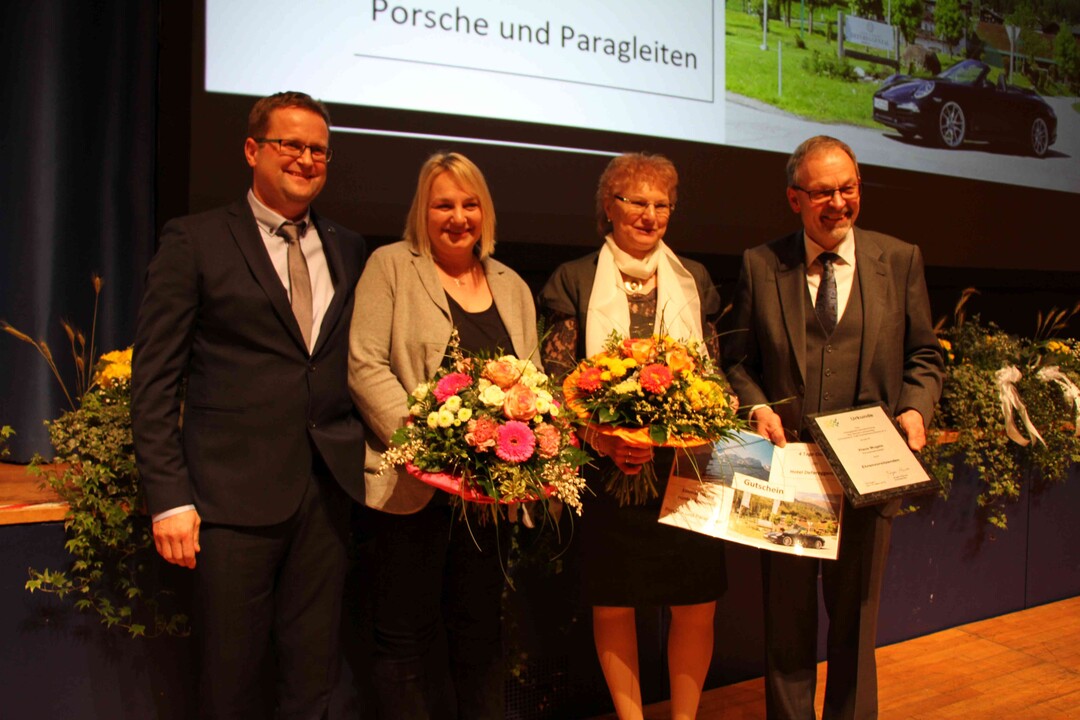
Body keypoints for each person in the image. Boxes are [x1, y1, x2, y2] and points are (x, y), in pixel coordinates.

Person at [131, 92, 366, 719]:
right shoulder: (195, 239)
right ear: (252, 149)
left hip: (326, 494)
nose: (306, 159)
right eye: (291, 144)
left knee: (312, 679)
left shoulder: (348, 247)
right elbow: (154, 379)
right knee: (229, 683)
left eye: (318, 149)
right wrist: (170, 497)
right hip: (227, 502)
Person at [721, 135, 944, 719]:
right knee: (787, 633)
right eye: (823, 192)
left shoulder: (899, 259)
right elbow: (739, 361)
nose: (838, 202)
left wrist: (916, 410)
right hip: (788, 476)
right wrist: (756, 406)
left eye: (848, 188)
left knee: (856, 631)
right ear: (795, 199)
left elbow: (924, 356)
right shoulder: (761, 264)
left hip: (869, 480)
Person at [348, 151, 538, 719]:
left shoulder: (512, 284)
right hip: (411, 490)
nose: (458, 216)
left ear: (486, 211)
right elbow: (364, 364)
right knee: (403, 640)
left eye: (469, 203)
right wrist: (432, 450)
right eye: (443, 205)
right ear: (421, 212)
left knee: (481, 637)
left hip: (487, 498)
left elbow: (530, 384)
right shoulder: (391, 266)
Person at [539, 152, 727, 720]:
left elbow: (711, 374)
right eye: (636, 202)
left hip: (685, 469)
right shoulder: (573, 279)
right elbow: (555, 382)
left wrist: (688, 423)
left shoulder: (695, 279)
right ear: (609, 208)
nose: (649, 215)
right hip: (605, 471)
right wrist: (603, 438)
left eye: (661, 204)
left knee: (696, 602)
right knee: (614, 602)